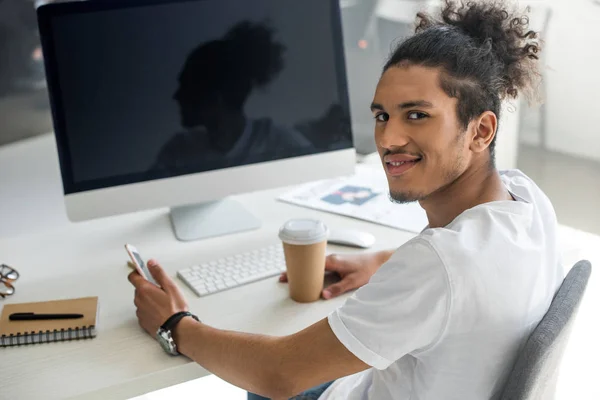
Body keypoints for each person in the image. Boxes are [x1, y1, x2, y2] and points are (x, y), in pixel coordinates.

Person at [128, 1, 564, 399]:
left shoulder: (438, 267)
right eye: (382, 116)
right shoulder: (526, 198)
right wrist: (381, 262)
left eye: (417, 115)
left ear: (481, 130)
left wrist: (174, 325)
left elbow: (278, 374)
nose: (388, 139)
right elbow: (464, 265)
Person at [153, 20, 312, 172]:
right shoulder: (177, 149)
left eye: (186, 88)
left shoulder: (280, 141)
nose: (176, 96)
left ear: (215, 100)